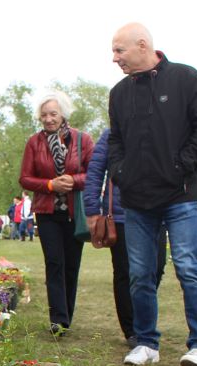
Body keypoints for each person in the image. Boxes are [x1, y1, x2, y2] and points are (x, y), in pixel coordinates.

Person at [108, 23, 197, 366]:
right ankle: (146, 342)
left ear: (142, 45)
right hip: (137, 200)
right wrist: (120, 173)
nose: (114, 58)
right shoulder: (119, 93)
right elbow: (116, 141)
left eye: (119, 51)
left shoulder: (186, 79)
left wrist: (182, 165)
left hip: (181, 195)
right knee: (140, 273)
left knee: (189, 267)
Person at [20, 91, 95, 335]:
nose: (49, 119)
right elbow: (25, 179)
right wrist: (51, 185)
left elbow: (93, 174)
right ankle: (58, 319)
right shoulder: (34, 142)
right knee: (54, 262)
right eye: (44, 115)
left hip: (75, 213)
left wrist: (73, 180)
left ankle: (67, 316)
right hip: (47, 211)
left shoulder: (82, 140)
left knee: (71, 265)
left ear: (62, 113)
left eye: (53, 114)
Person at [84, 129, 136, 346]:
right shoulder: (112, 134)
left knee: (155, 268)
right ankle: (132, 329)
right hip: (121, 215)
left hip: (155, 212)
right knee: (124, 270)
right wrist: (92, 209)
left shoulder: (156, 125)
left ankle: (144, 319)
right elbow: (95, 171)